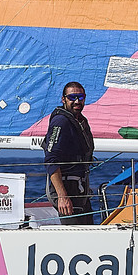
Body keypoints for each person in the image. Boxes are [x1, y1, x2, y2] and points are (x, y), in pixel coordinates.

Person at [44, 81, 96, 224]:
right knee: (75, 240)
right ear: (64, 99)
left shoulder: (80, 121)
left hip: (80, 191)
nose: (77, 101)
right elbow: (51, 160)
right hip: (67, 191)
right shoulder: (61, 122)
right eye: (72, 97)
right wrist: (62, 196)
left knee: (89, 235)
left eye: (81, 97)